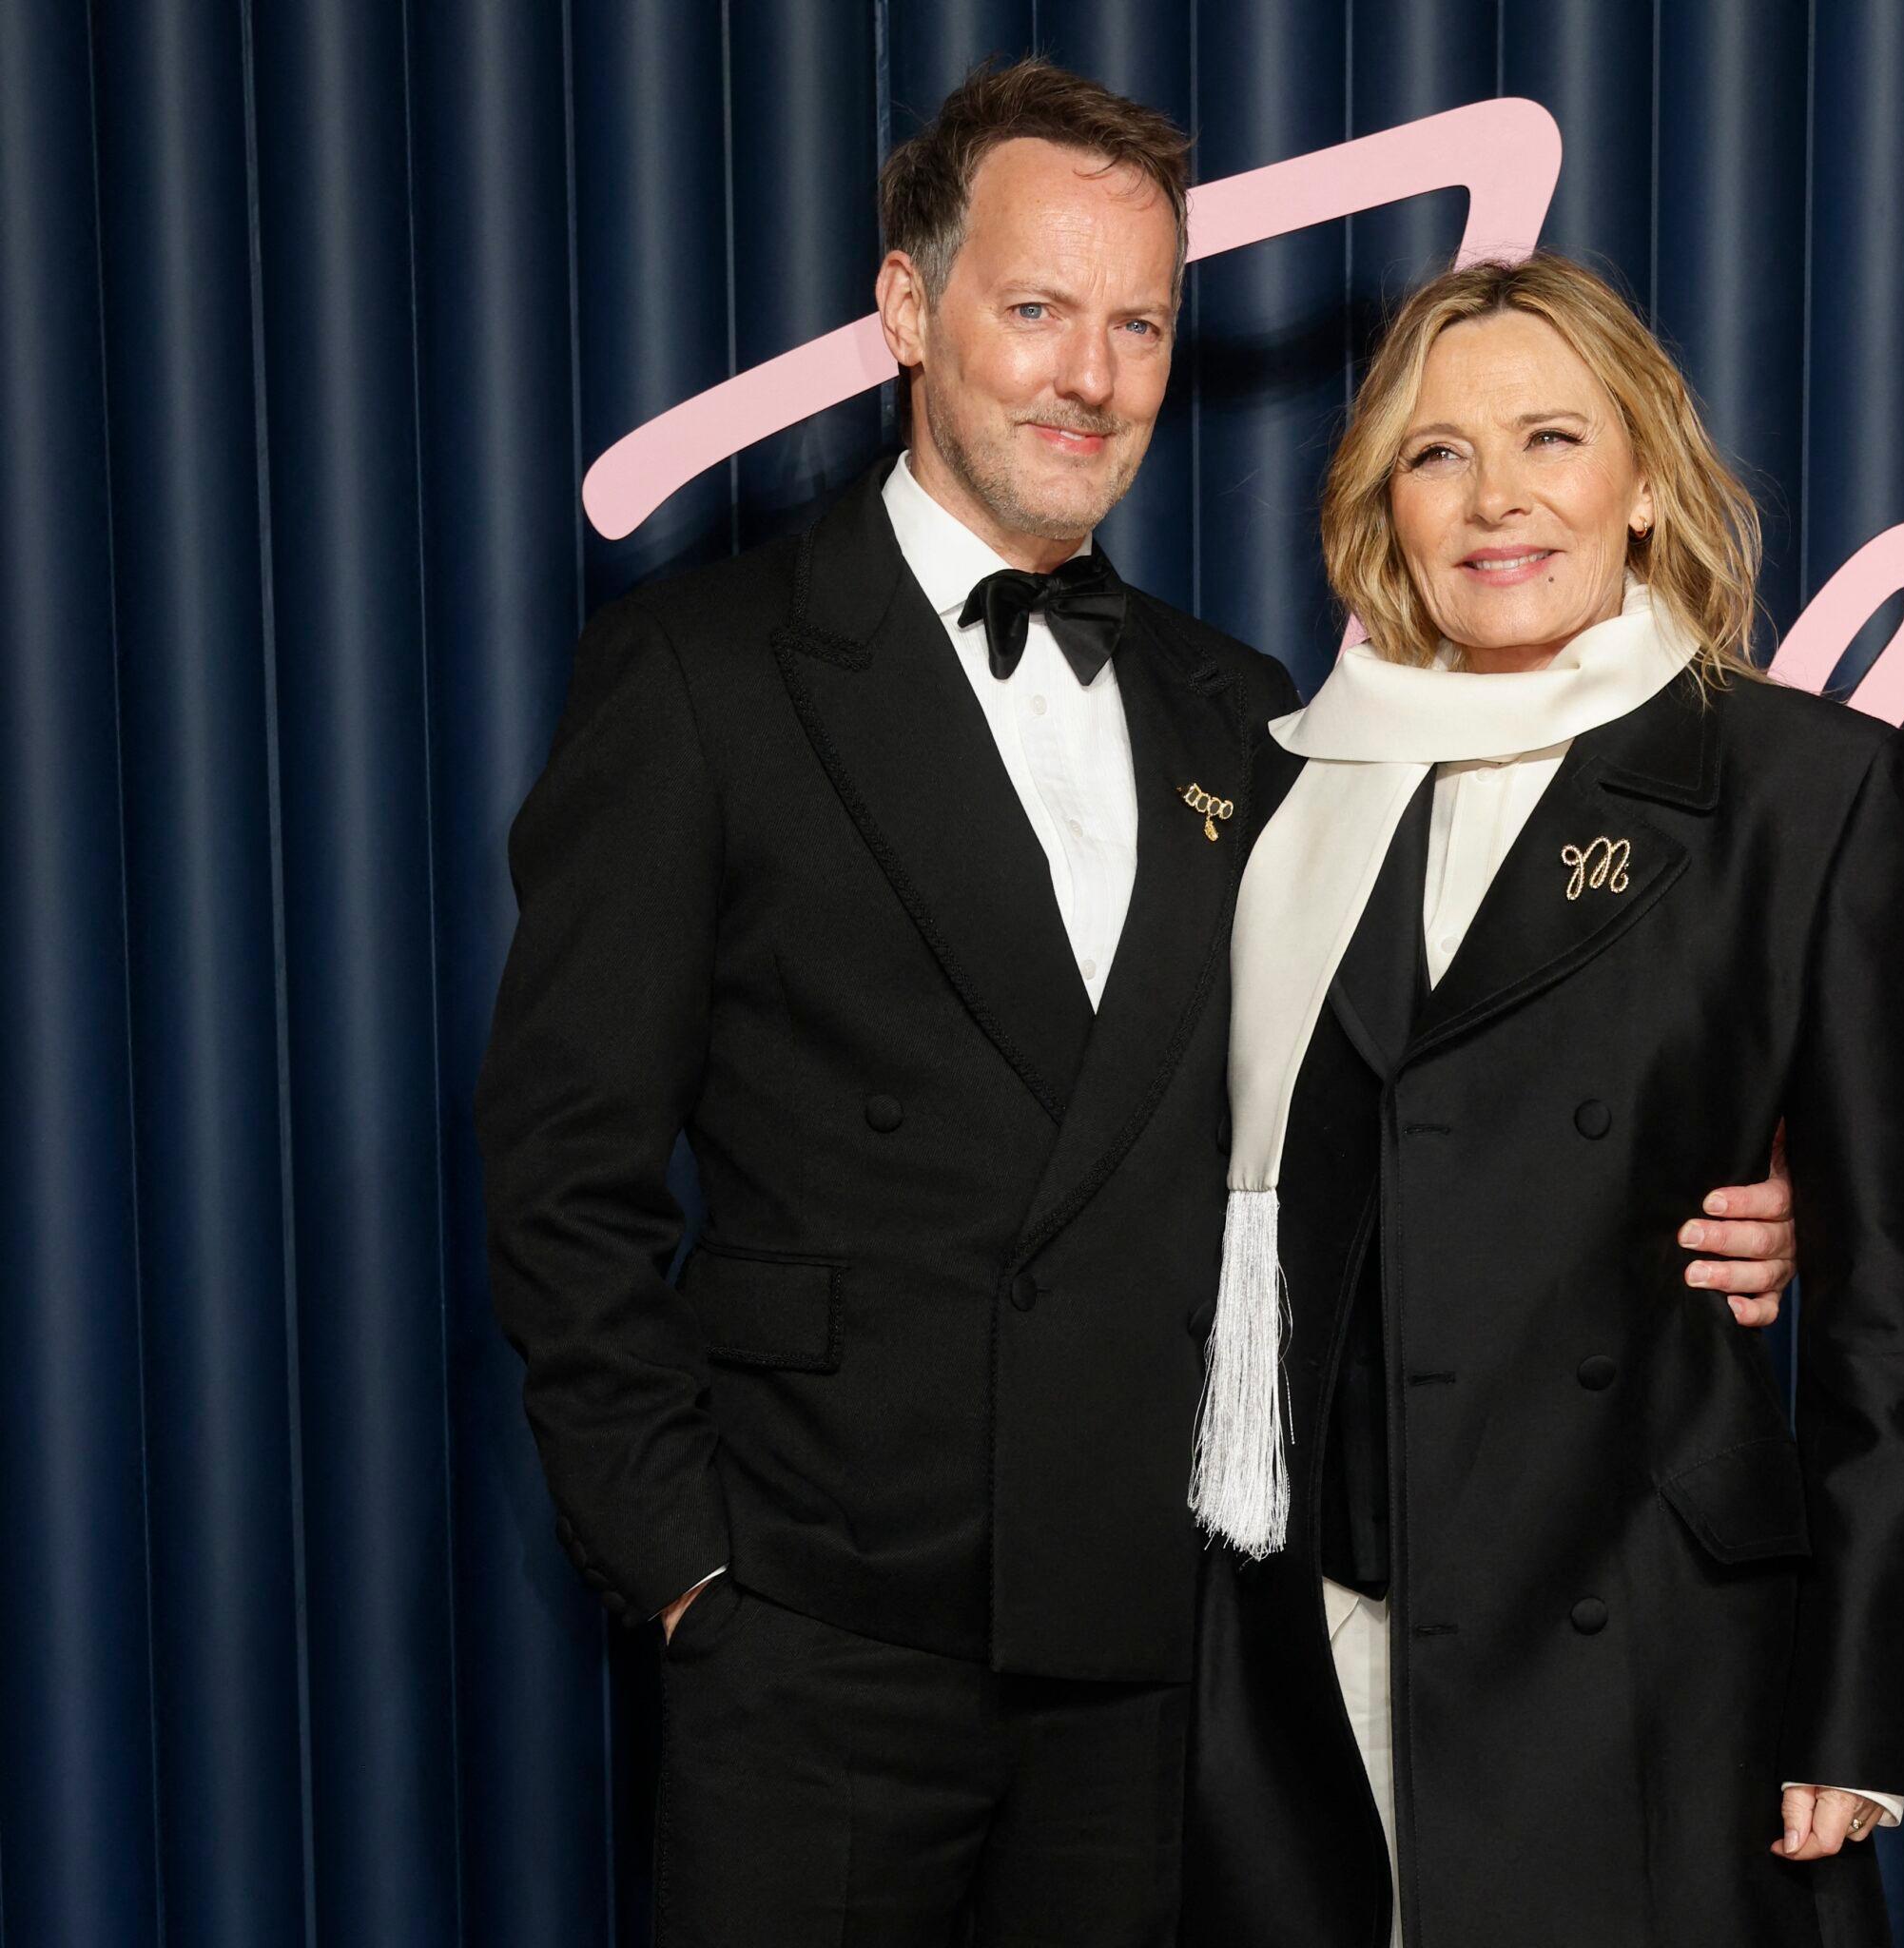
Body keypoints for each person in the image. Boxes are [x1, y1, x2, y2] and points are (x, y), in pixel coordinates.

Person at [475, 61, 1797, 1947]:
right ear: (909, 313)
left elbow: (1399, 1105)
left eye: (1137, 322)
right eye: (1033, 310)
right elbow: (560, 1174)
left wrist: (1722, 1194)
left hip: (1144, 1660)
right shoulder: (700, 674)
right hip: (816, 1647)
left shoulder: (1235, 704)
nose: (1088, 376)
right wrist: (690, 1572)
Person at [1180, 251, 1904, 1948]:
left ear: (1646, 485)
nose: (1496, 498)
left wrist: (1861, 1709)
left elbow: (1887, 1312)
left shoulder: (1801, 787)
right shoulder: (1292, 781)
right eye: (1438, 452)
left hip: (1649, 1648)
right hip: (1326, 1640)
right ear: (1386, 503)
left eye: (1550, 437)